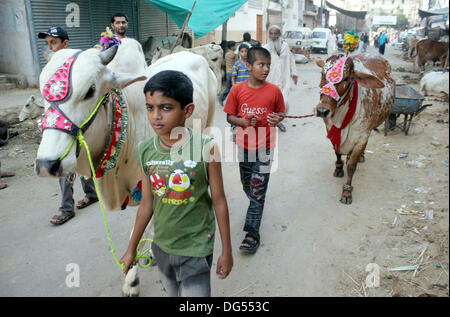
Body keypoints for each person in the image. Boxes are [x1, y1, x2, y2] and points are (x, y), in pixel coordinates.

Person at [120, 70, 233, 297]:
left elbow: (219, 202)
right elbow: (146, 206)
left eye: (166, 108)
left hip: (195, 249)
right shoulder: (145, 150)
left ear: (187, 110)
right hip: (161, 248)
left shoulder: (206, 148)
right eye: (150, 107)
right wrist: (132, 248)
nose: (156, 116)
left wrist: (227, 251)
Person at [224, 47, 286, 254]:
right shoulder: (237, 90)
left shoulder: (274, 91)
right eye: (261, 64)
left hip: (265, 147)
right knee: (248, 185)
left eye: (268, 65)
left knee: (258, 192)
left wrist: (278, 118)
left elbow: (281, 113)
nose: (266, 69)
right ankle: (254, 206)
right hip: (244, 147)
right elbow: (229, 116)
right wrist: (241, 121)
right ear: (248, 66)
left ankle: (252, 234)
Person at [38, 26, 98, 225]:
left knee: (71, 161)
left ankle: (67, 207)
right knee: (71, 160)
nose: (50, 47)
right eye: (47, 43)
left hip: (73, 125)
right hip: (60, 126)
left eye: (53, 42)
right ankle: (86, 195)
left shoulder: (77, 69)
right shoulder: (51, 70)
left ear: (65, 44)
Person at [263, 25, 297, 132]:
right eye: (271, 33)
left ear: (279, 34)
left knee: (284, 102)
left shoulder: (285, 46)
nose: (273, 36)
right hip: (270, 80)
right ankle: (272, 122)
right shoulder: (265, 48)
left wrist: (294, 73)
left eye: (275, 33)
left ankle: (279, 120)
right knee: (269, 103)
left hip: (284, 79)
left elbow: (291, 59)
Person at [219, 41, 237, 105]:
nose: (236, 47)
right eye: (235, 46)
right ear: (231, 47)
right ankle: (222, 98)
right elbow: (233, 57)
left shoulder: (227, 54)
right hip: (232, 73)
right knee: (231, 87)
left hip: (228, 72)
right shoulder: (233, 54)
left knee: (230, 87)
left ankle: (224, 98)